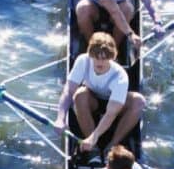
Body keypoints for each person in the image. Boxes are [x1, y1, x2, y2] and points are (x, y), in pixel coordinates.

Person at [54, 32, 145, 162]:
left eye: (105, 58)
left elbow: (111, 114)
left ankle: (112, 146)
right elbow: (69, 91)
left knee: (139, 101)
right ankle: (94, 149)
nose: (100, 62)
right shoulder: (83, 61)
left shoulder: (120, 76)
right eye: (96, 57)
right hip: (92, 100)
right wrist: (60, 118)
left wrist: (94, 136)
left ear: (112, 57)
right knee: (79, 94)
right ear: (90, 54)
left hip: (113, 105)